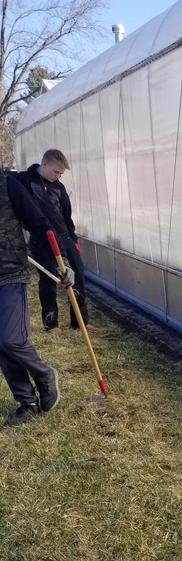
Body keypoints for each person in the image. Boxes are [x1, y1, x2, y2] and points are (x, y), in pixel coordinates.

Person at [0, 171, 74, 426]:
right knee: (1, 344)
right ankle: (27, 402)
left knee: (12, 340)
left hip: (10, 273)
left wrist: (59, 261)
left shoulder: (7, 184)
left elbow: (40, 224)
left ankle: (44, 375)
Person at [16, 149, 89, 334]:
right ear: (45, 163)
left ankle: (80, 322)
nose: (57, 177)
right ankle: (51, 324)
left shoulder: (59, 188)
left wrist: (73, 239)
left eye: (61, 174)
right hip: (42, 239)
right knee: (49, 279)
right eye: (55, 172)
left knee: (77, 276)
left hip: (64, 237)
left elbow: (66, 215)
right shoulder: (23, 181)